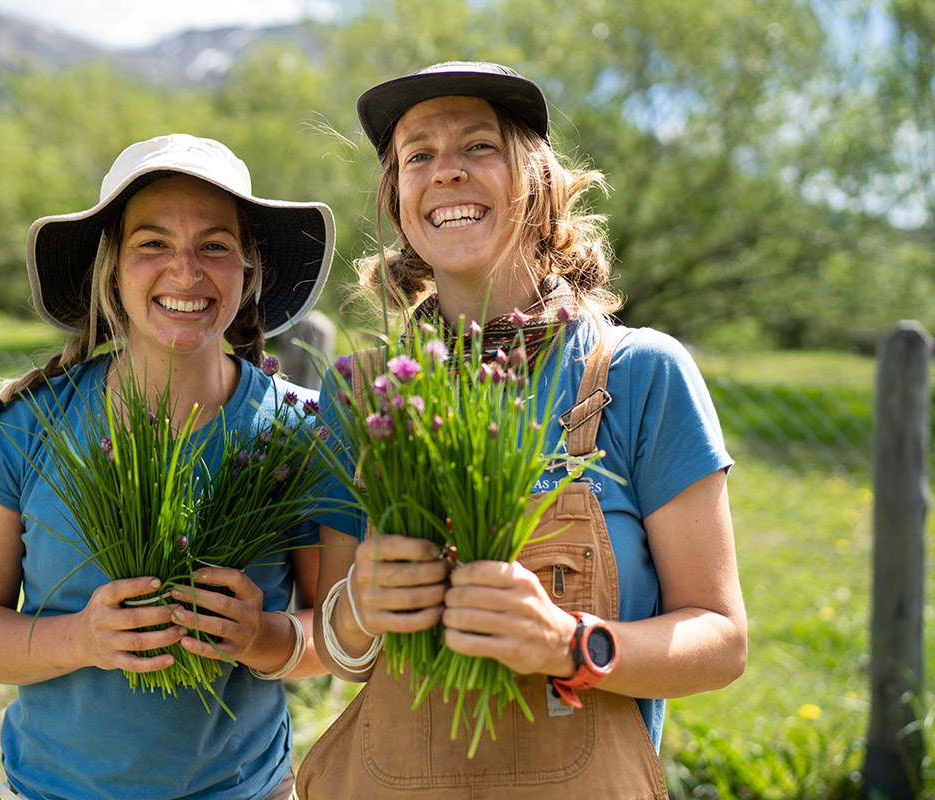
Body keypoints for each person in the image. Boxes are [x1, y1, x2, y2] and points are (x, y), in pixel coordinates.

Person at [298, 62, 747, 798]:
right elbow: (335, 650)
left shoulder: (638, 375)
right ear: (399, 202)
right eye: (418, 156)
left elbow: (722, 642)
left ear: (534, 181)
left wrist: (569, 645)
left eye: (479, 147)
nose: (446, 172)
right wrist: (360, 610)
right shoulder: (362, 395)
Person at [0, 134, 336, 800]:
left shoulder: (303, 433)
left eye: (214, 246)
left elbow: (337, 630)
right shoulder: (28, 427)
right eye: (152, 244)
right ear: (111, 268)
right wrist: (83, 638)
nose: (185, 270)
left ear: (247, 270)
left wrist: (262, 637)